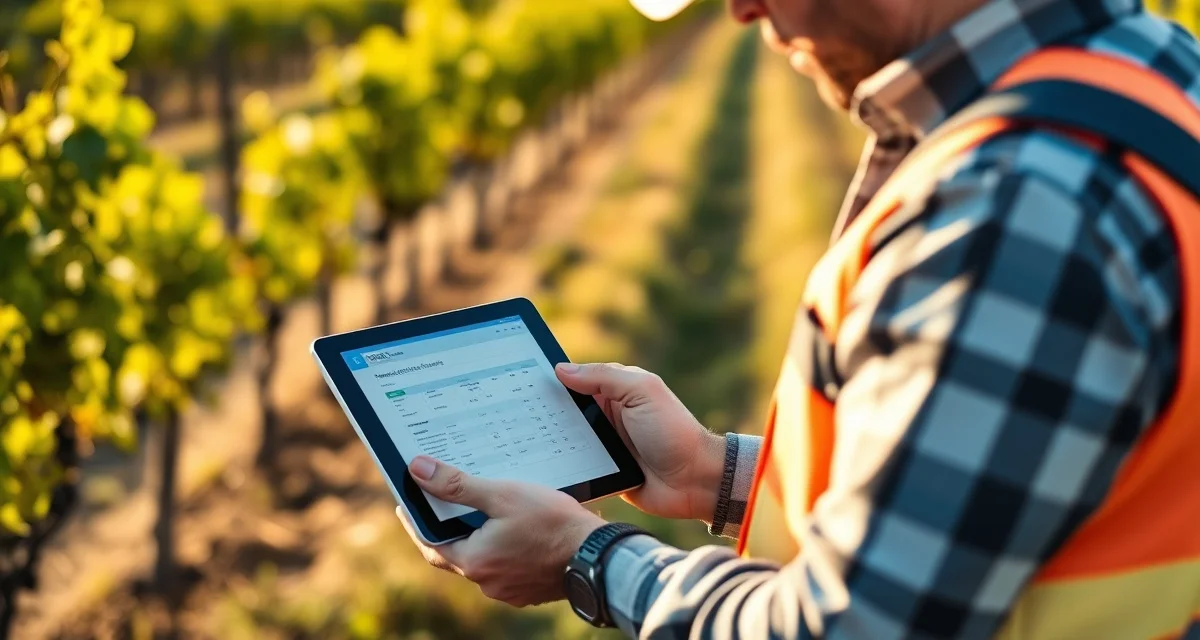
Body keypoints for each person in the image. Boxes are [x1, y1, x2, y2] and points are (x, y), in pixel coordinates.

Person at [396, 0, 1200, 637]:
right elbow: (1018, 488)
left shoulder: (1013, 210)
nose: (742, 10)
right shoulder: (1150, 68)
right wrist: (715, 473)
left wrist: (589, 559)